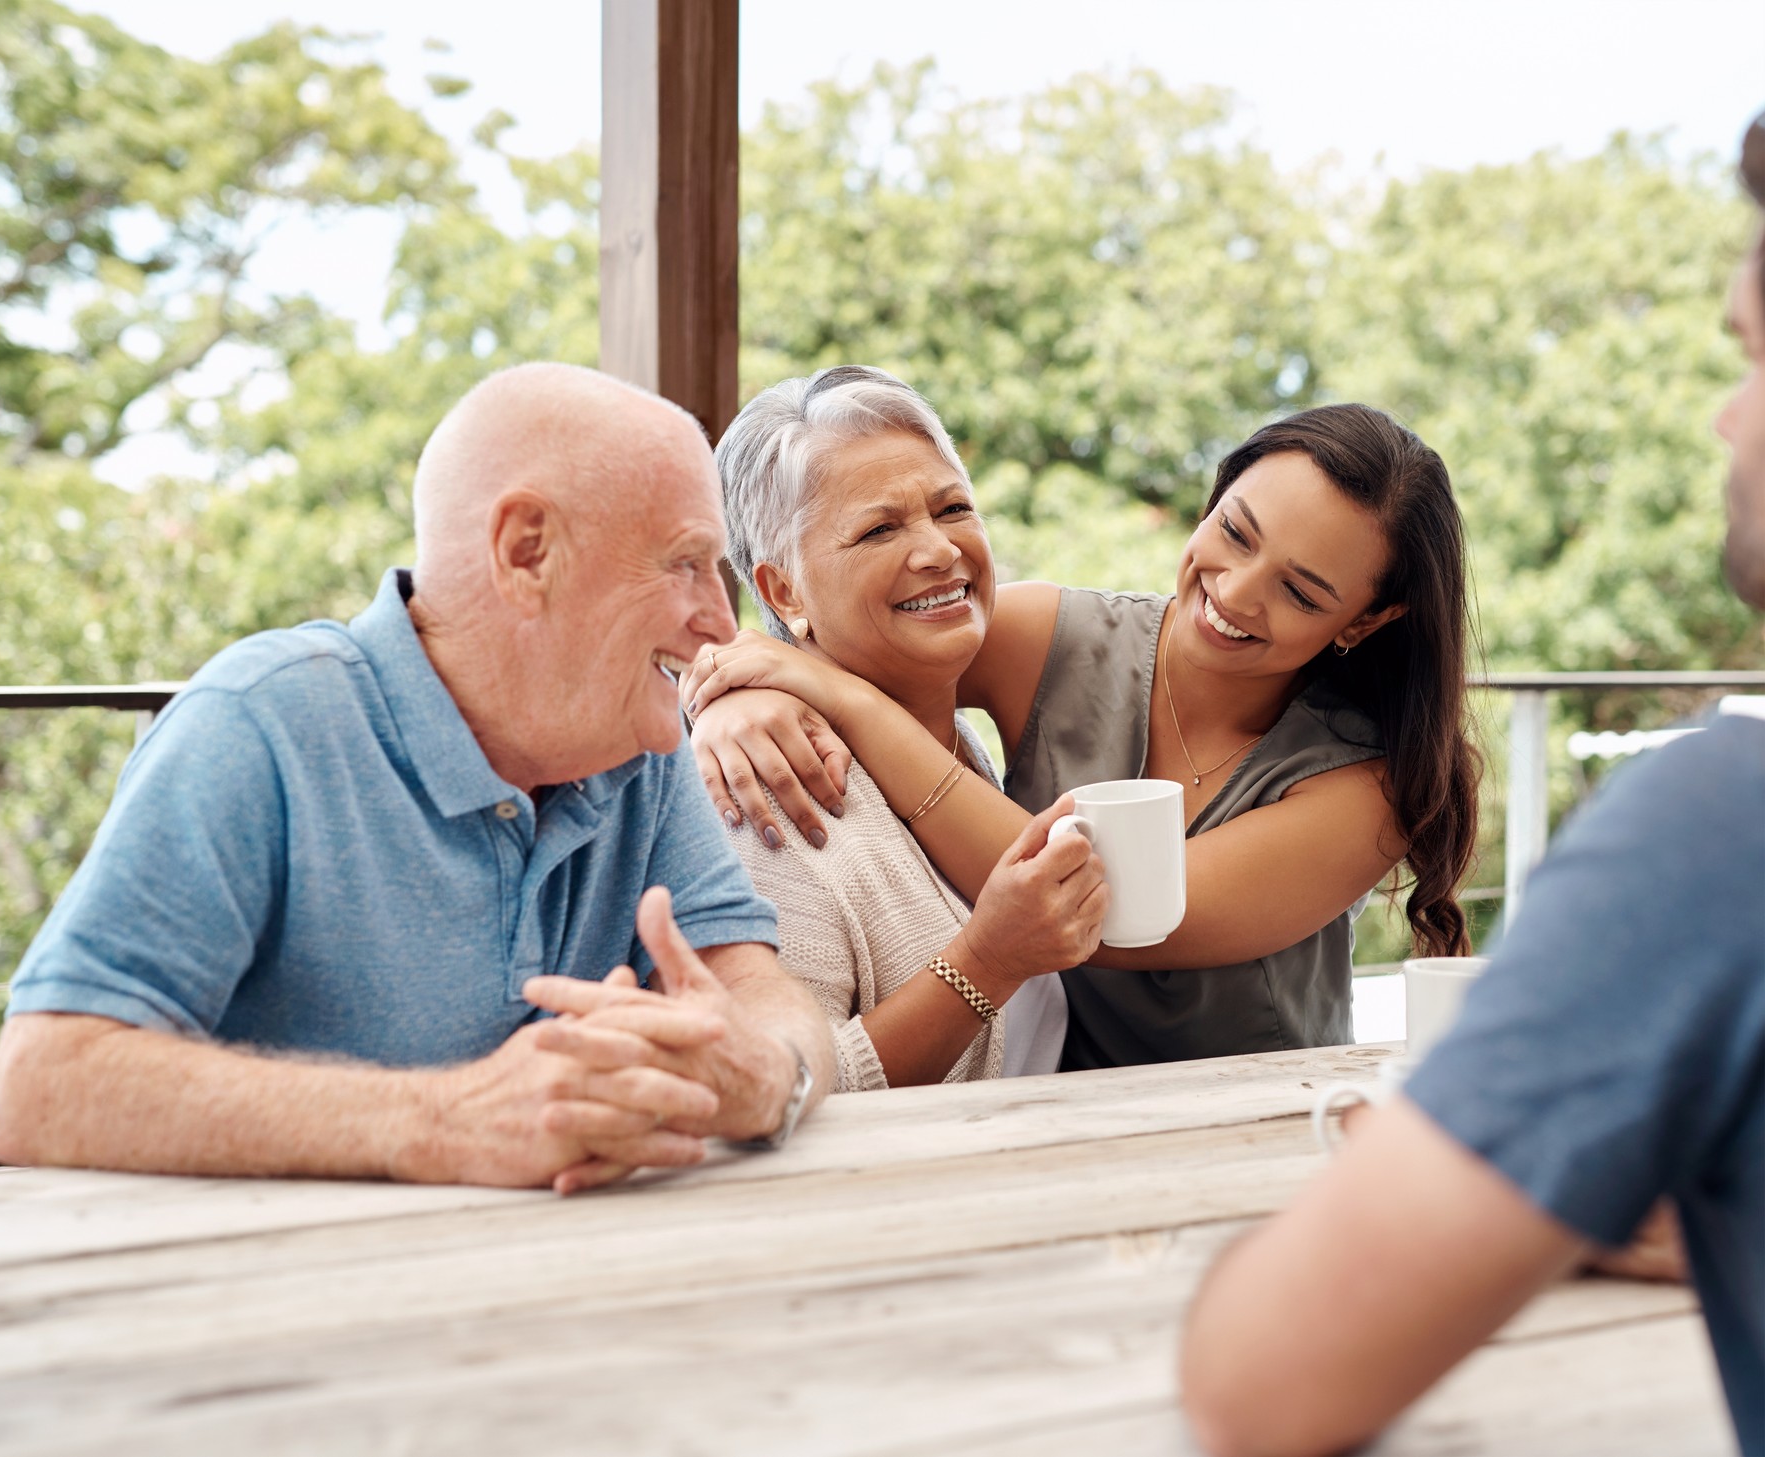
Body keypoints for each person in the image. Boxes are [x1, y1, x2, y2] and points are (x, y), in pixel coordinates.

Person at [1179, 112, 1765, 1457]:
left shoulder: (1715, 840)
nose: (1730, 416)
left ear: (1363, 625)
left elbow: (1264, 1379)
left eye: (1752, 358)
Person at [0, 363, 834, 1196]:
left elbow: (757, 988)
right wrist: (445, 1120)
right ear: (526, 551)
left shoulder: (633, 744)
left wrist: (766, 1076)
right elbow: (40, 1081)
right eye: (685, 563)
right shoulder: (257, 721)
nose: (721, 621)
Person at [684, 403, 1480, 1067]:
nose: (1234, 593)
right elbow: (854, 633)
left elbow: (1115, 913)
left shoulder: (1366, 787)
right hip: (1040, 1116)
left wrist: (835, 697)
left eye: (1301, 592)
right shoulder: (1044, 637)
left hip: (1247, 1132)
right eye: (1234, 533)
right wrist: (728, 699)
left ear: (1368, 620)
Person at [710, 366, 1107, 1089]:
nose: (939, 550)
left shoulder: (949, 733)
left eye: (953, 508)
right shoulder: (772, 784)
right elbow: (784, 1090)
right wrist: (989, 961)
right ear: (784, 590)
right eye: (879, 528)